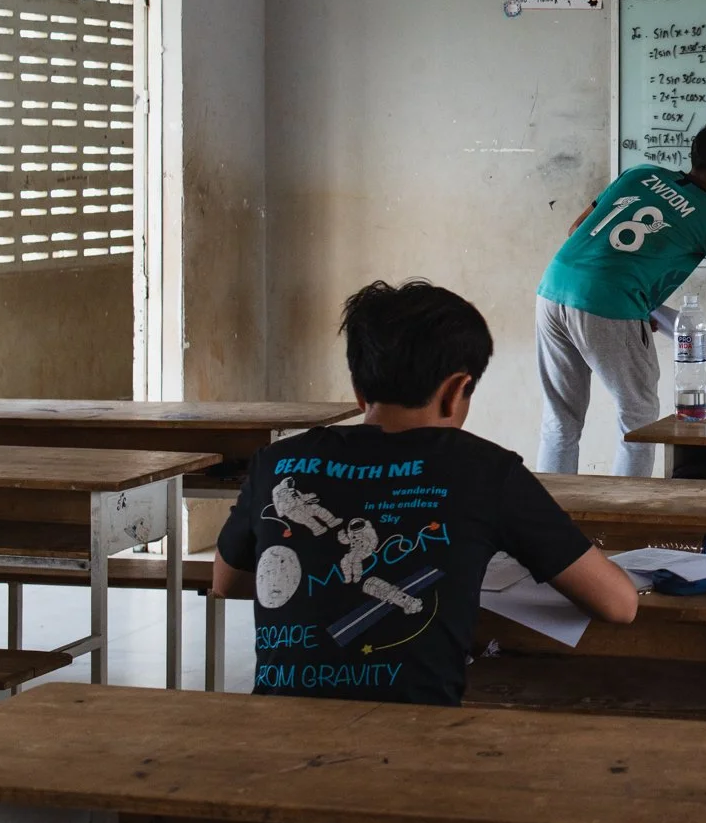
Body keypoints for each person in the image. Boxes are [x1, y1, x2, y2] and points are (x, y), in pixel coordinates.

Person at [212, 280, 637, 706]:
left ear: (359, 391)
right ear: (455, 391)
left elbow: (226, 582)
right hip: (417, 729)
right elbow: (619, 605)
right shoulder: (486, 470)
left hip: (281, 722)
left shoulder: (277, 461)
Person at [536, 122, 706, 475]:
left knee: (561, 418)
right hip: (611, 303)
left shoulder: (640, 174)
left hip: (554, 288)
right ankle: (628, 508)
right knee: (639, 417)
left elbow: (575, 230)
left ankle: (545, 506)